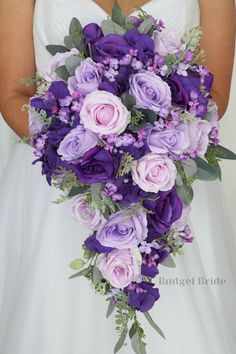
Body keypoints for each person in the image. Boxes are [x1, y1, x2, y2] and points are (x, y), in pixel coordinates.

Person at [0, 1, 235, 353]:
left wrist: (146, 155)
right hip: (56, 193)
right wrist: (83, 149)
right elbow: (12, 95)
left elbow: (213, 95)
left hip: (163, 190)